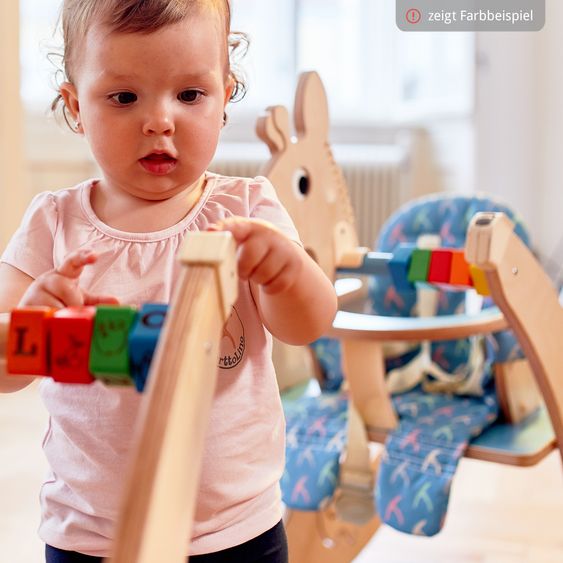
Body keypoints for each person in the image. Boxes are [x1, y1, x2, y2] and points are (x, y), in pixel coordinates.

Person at [0, 1, 337, 561]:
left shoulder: (247, 209)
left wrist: (287, 273)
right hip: (92, 534)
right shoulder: (52, 223)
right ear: (75, 106)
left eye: (189, 95)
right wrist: (29, 326)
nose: (160, 120)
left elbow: (309, 325)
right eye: (125, 97)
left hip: (237, 529)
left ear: (225, 96)